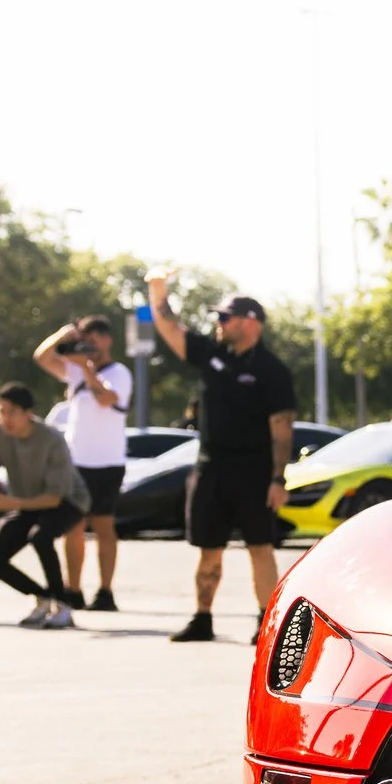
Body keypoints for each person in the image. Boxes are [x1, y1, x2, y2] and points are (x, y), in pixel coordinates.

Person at [145, 273, 295, 644]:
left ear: (250, 322)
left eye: (225, 318)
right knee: (207, 550)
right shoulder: (211, 354)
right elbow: (170, 327)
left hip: (255, 473)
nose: (218, 324)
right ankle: (202, 618)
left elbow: (282, 429)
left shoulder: (272, 371)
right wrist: (157, 291)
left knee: (259, 547)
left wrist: (278, 480)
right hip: (210, 469)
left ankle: (267, 623)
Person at [32, 316, 133, 611]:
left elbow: (106, 400)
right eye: (85, 339)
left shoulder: (119, 373)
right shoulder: (74, 372)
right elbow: (42, 357)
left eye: (96, 338)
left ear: (108, 340)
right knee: (72, 527)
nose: (91, 344)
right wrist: (64, 333)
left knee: (104, 527)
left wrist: (87, 369)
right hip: (76, 462)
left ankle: (105, 591)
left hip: (108, 462)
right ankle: (73, 590)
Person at [0, 382, 91, 628]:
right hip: (27, 502)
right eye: (0, 411)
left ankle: (64, 605)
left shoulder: (51, 439)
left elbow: (55, 497)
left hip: (67, 501)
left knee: (41, 537)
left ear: (29, 413)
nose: (5, 418)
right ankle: (43, 596)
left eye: (11, 412)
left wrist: (9, 503)